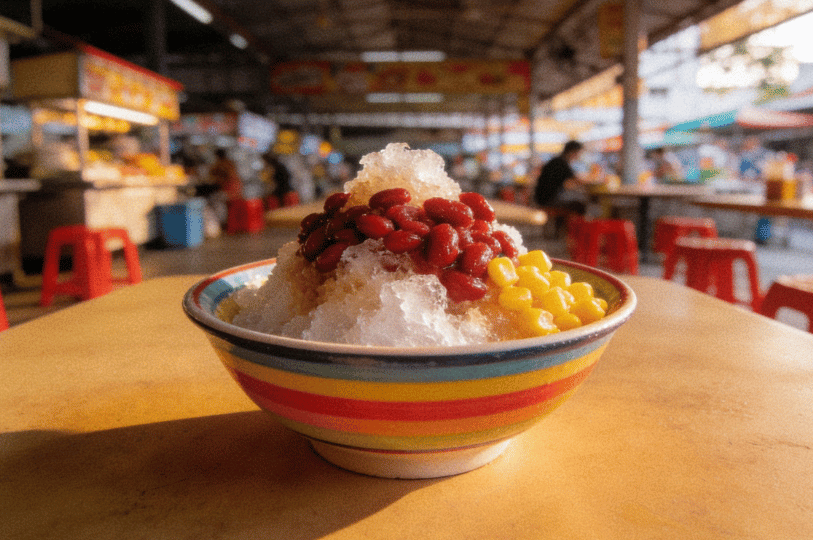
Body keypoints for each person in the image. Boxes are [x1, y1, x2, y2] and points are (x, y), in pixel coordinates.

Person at [532, 140, 591, 215]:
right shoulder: (562, 163)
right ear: (572, 152)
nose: (579, 156)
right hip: (549, 200)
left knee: (577, 198)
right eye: (579, 153)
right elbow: (577, 181)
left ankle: (561, 225)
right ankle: (571, 226)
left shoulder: (555, 161)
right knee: (581, 203)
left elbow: (565, 183)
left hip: (541, 198)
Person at [207, 148, 243, 226]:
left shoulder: (221, 164)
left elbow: (212, 174)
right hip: (238, 191)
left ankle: (221, 222)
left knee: (213, 199)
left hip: (230, 193)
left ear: (217, 156)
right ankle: (223, 221)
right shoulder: (231, 163)